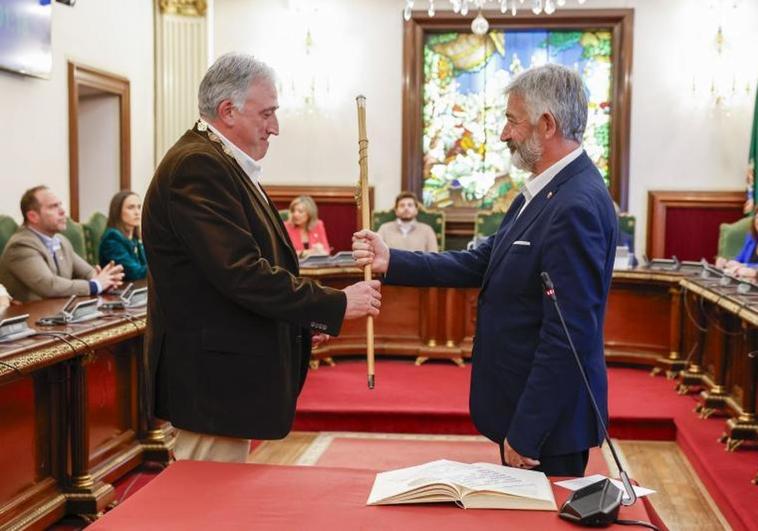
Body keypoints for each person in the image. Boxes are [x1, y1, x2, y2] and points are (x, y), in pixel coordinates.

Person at [354, 64, 617, 477]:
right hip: (521, 407)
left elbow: (567, 337)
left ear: (547, 124)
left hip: (545, 427)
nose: (504, 134)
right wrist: (394, 260)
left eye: (512, 120)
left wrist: (527, 431)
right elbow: (481, 260)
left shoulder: (575, 205)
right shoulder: (541, 191)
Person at [142, 52, 382, 464]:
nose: (275, 127)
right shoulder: (198, 166)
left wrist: (302, 320)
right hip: (211, 382)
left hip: (222, 378)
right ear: (228, 111)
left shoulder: (221, 162)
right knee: (208, 509)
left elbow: (252, 266)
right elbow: (242, 274)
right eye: (267, 113)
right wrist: (336, 303)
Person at [0, 186, 124, 302]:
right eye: (53, 207)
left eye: (60, 205)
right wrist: (95, 285)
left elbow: (87, 272)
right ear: (33, 216)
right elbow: (49, 286)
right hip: (30, 320)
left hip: (58, 315)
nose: (62, 211)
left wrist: (106, 279)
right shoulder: (21, 245)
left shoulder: (60, 240)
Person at [99, 191, 148, 281]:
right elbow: (135, 273)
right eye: (131, 207)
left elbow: (146, 265)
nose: (137, 212)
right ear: (117, 211)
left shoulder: (135, 239)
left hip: (136, 290)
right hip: (119, 292)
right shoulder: (111, 239)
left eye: (139, 207)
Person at [716, 207, 758, 278]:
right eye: (757, 217)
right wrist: (726, 263)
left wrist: (746, 266)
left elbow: (743, 265)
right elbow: (738, 260)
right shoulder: (751, 238)